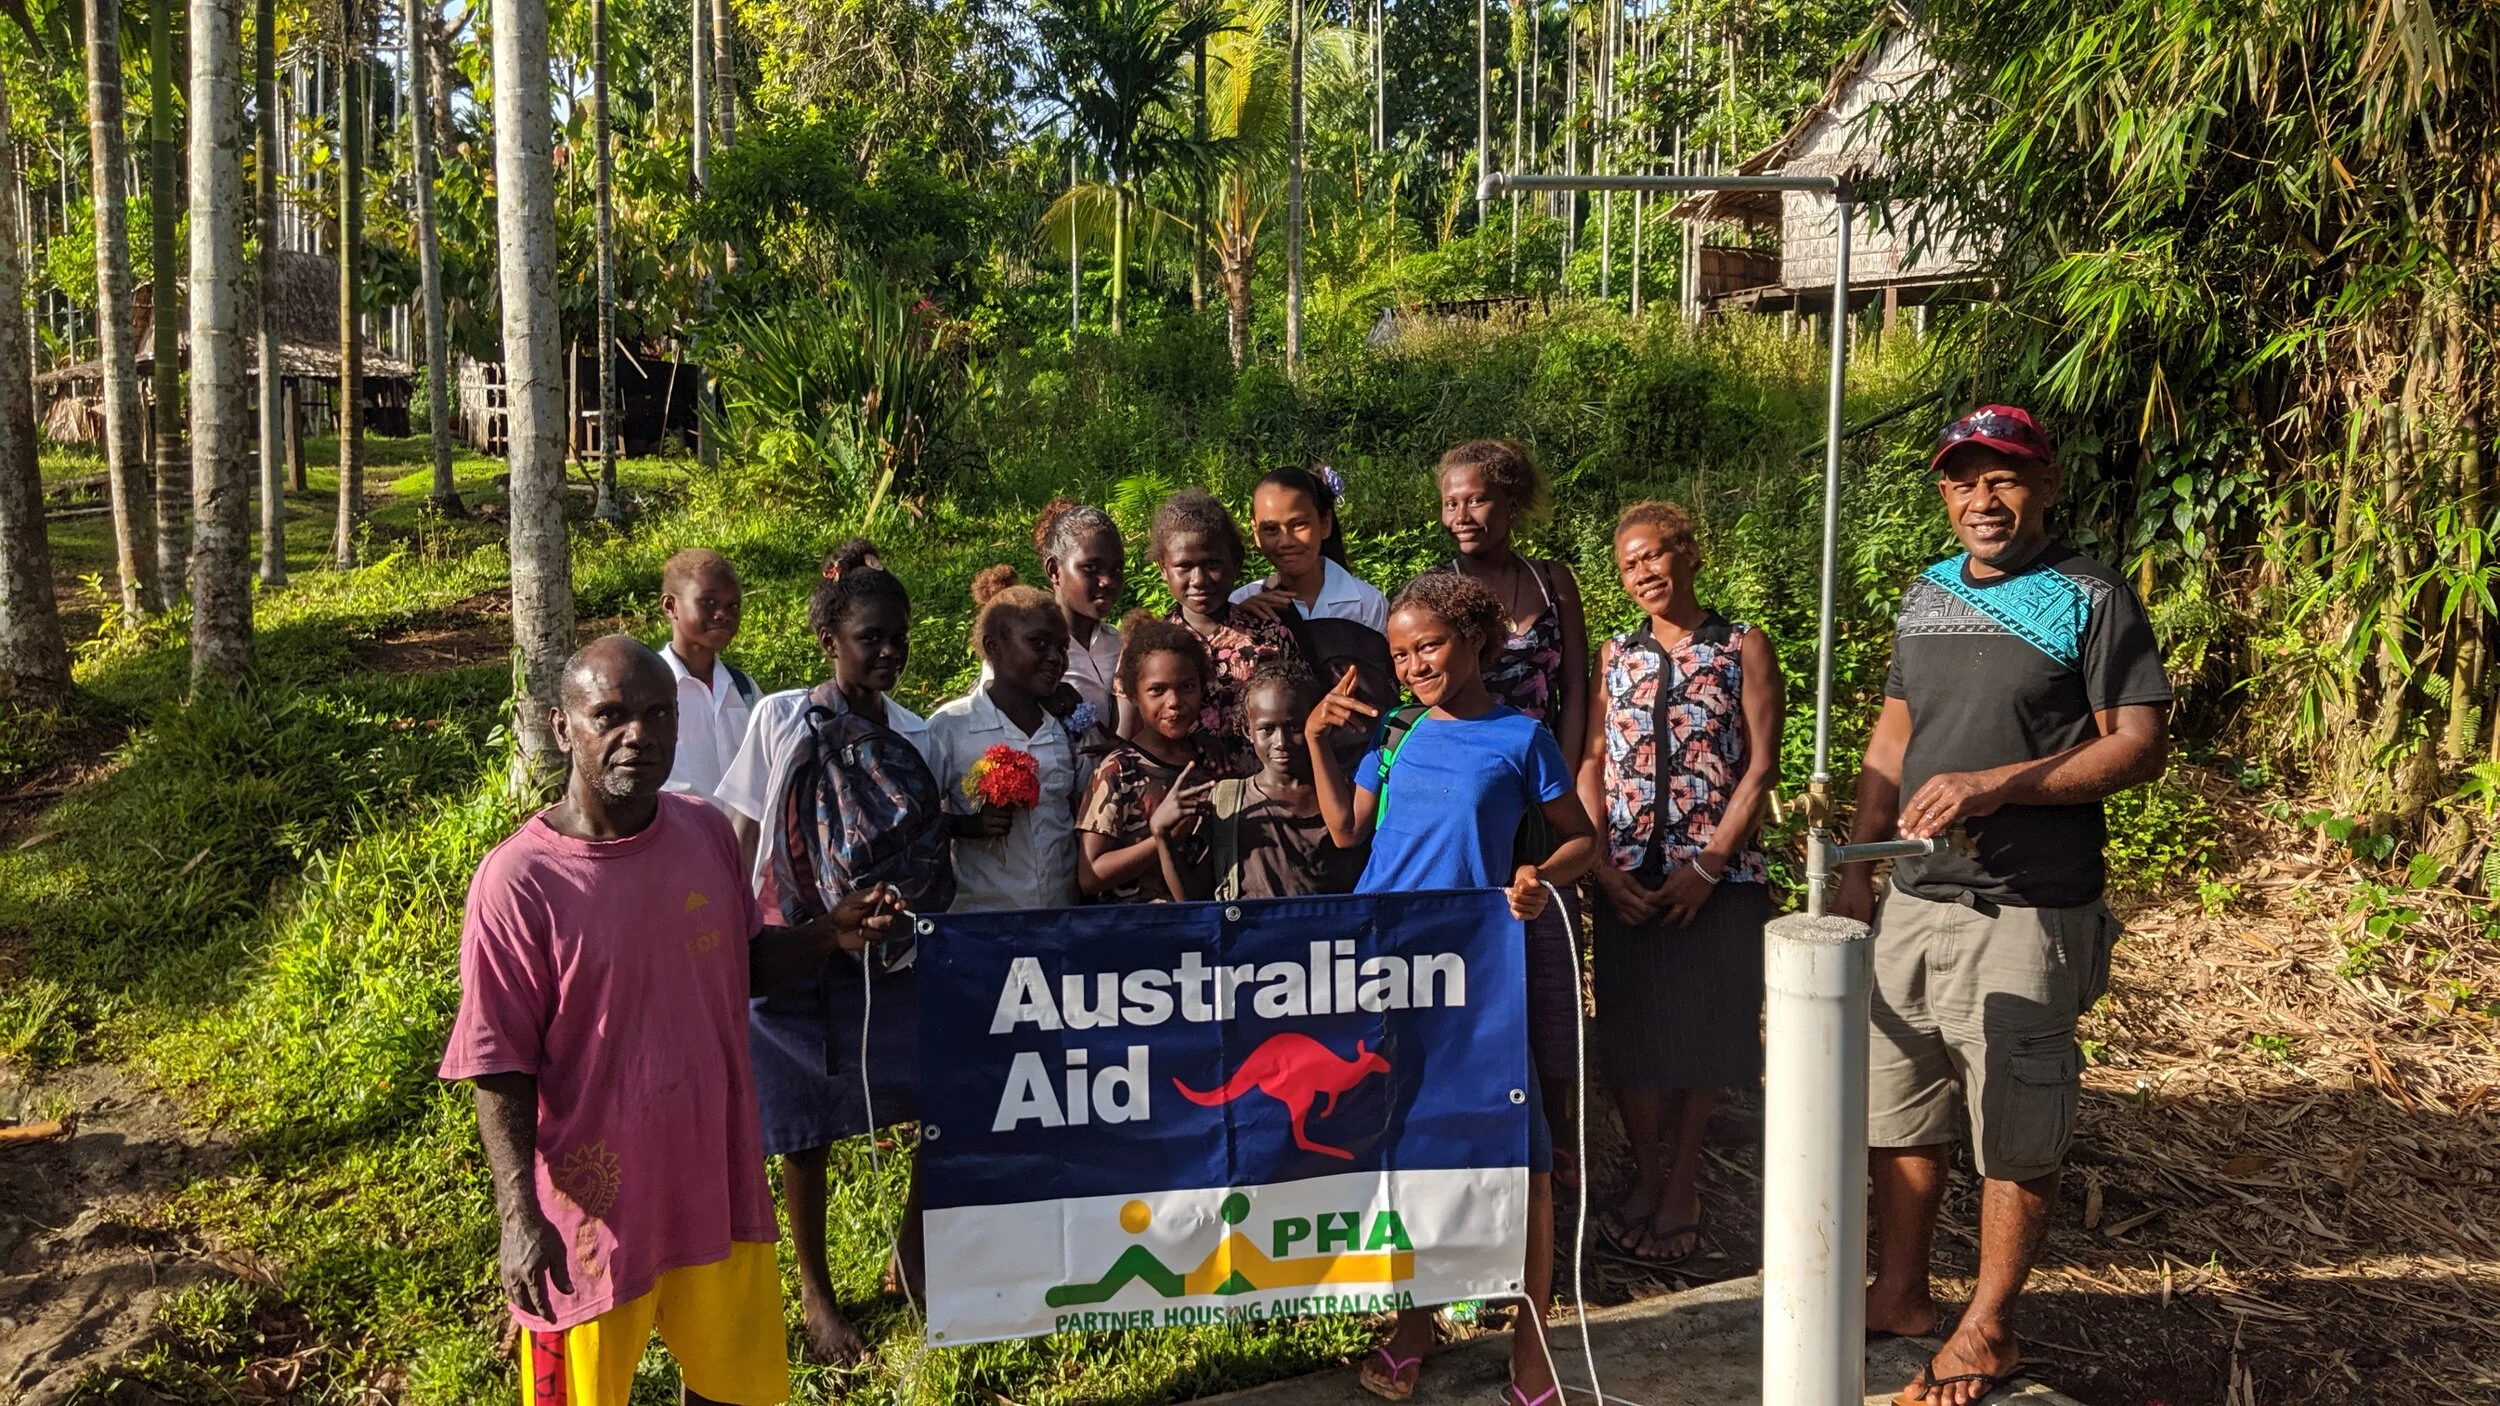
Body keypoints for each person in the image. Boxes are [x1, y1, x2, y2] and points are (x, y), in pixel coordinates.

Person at [439, 635, 901, 1406]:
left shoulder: (704, 833)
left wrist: (828, 935)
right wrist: (519, 1215)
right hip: (591, 1223)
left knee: (737, 1394)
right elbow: (500, 1063)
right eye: (611, 716)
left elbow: (739, 963)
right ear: (563, 727)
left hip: (716, 1189)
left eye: (658, 715)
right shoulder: (519, 882)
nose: (639, 735)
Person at [1835, 406, 2170, 1406]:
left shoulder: (2090, 595)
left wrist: (1998, 785)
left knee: (2016, 1125)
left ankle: (1988, 1327)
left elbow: (2138, 743)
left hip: (2027, 909)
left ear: (2045, 485)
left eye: (2004, 477)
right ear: (1944, 494)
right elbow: (1894, 735)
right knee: (1901, 1106)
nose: (1982, 498)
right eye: (1962, 480)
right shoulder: (1928, 591)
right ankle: (1900, 1292)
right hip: (1914, 895)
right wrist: (1858, 865)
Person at [1303, 573, 1598, 1406]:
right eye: (1400, 654)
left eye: (1428, 646)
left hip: (1477, 972)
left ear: (1475, 639)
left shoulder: (1521, 738)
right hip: (1388, 970)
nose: (1414, 666)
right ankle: (1415, 1324)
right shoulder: (1395, 730)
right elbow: (1346, 831)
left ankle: (1533, 1349)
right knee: (1412, 1150)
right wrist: (1317, 740)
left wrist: (1537, 875)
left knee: (1524, 1158)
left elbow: (1582, 842)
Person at [715, 544, 937, 1364]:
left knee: (932, 1094)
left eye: (899, 637)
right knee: (803, 1127)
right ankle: (816, 1293)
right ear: (828, 641)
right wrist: (740, 933)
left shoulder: (915, 732)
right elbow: (742, 827)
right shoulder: (780, 718)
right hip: (797, 945)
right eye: (871, 637)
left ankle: (911, 1258)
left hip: (885, 951)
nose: (888, 652)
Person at [1574, 502, 1783, 1269]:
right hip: (1627, 874)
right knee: (1631, 1038)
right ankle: (1646, 1174)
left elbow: (1761, 766)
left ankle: (1684, 1184)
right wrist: (1600, 865)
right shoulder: (1614, 655)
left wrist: (1709, 865)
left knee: (1707, 1035)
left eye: (1655, 556)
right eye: (1629, 565)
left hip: (1718, 879)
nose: (1644, 573)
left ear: (1690, 554)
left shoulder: (1740, 645)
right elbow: (1592, 761)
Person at [1433, 439, 1591, 1182]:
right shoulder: (1439, 591)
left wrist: (1565, 776)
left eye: (1476, 499)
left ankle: (1558, 1142)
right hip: (1476, 797)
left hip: (1545, 792)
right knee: (1478, 956)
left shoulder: (1551, 581)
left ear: (1511, 502)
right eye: (1450, 502)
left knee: (1551, 962)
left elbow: (1577, 689)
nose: (1462, 514)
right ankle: (1480, 1129)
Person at [925, 567, 1082, 911]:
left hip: (1061, 916)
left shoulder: (1065, 726)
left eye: (1062, 648)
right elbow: (914, 822)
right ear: (993, 647)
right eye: (1038, 643)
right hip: (984, 920)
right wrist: (966, 825)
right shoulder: (951, 727)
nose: (1055, 658)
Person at [1168, 658, 1365, 900]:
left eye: (1294, 728)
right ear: (1247, 731)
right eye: (1267, 729)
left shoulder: (1345, 796)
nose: (1281, 742)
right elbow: (1192, 898)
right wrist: (1163, 837)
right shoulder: (1228, 803)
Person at [1153, 488, 1303, 770]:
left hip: (1262, 787)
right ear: (1163, 567)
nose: (1199, 579)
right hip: (1180, 788)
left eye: (1212, 564)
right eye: (1184, 566)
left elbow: (1301, 712)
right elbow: (1135, 728)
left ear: (1236, 562)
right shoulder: (1150, 646)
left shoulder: (1269, 636)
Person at [1075, 613, 1215, 903]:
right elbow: (1090, 876)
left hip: (1205, 922)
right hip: (1137, 925)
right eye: (1157, 690)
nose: (1174, 702)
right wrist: (1163, 838)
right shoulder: (1118, 770)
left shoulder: (1211, 763)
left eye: (1187, 686)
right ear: (1133, 695)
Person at [657, 549, 759, 809]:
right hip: (676, 832)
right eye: (708, 602)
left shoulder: (744, 689)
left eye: (733, 606)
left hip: (742, 834)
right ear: (670, 606)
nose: (723, 614)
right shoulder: (648, 688)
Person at [1233, 467, 1390, 632]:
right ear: (1256, 533)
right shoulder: (1242, 602)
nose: (1286, 541)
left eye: (1299, 524)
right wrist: (1237, 619)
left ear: (1325, 524)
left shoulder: (1368, 605)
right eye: (1271, 529)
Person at [1034, 499, 1128, 720]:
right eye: (1091, 568)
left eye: (1117, 569)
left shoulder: (1119, 645)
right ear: (1054, 571)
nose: (1108, 581)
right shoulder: (1026, 651)